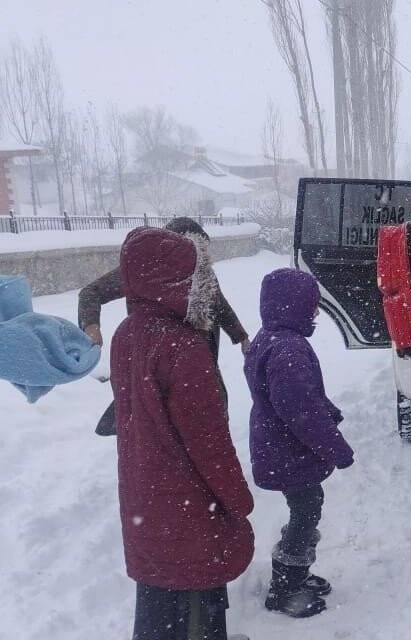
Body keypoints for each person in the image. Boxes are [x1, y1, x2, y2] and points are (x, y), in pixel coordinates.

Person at [110, 227, 254, 640]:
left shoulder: (126, 335)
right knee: (196, 599)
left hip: (146, 496)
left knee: (158, 597)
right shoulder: (184, 347)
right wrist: (238, 501)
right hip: (189, 505)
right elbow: (210, 445)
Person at [244, 268, 355, 618]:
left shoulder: (272, 337)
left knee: (306, 506)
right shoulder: (287, 349)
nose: (316, 312)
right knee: (306, 511)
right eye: (311, 305)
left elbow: (300, 396)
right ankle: (284, 588)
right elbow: (300, 411)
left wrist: (328, 410)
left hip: (277, 444)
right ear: (293, 305)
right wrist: (337, 449)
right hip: (287, 449)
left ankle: (296, 574)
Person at [79, 217, 249, 436]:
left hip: (201, 358)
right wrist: (91, 326)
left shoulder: (203, 271)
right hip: (157, 359)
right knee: (163, 422)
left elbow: (220, 304)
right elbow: (90, 292)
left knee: (212, 414)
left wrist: (241, 336)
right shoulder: (143, 270)